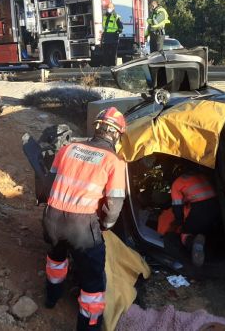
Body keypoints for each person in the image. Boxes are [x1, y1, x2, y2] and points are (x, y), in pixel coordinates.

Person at [43, 107, 127, 330]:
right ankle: (88, 326)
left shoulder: (68, 148)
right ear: (117, 135)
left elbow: (48, 183)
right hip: (81, 228)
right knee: (93, 283)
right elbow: (113, 206)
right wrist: (103, 227)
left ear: (97, 127)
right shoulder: (113, 162)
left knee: (56, 260)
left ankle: (51, 298)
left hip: (51, 219)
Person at [170, 170, 220, 267]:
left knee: (186, 233)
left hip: (200, 207)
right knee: (210, 230)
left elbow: (177, 206)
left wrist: (180, 223)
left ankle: (193, 242)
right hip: (217, 204)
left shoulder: (177, 183)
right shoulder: (201, 174)